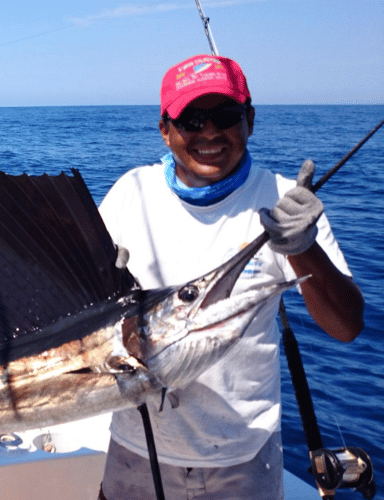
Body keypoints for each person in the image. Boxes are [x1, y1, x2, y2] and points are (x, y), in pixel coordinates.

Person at [96, 54, 363, 499]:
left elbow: (347, 326)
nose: (210, 133)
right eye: (191, 120)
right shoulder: (130, 193)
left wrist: (303, 248)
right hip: (136, 445)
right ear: (165, 129)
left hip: (242, 457)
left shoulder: (283, 200)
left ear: (250, 120)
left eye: (225, 116)